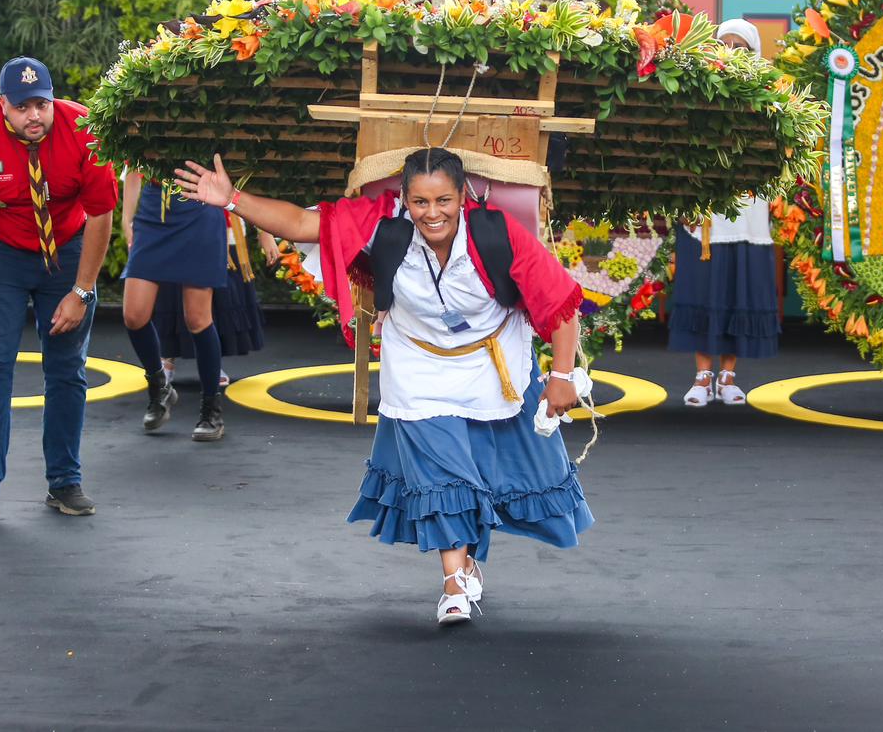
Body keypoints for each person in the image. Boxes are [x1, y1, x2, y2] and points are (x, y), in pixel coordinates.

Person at [173, 148, 593, 626]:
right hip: (416, 368)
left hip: (491, 366)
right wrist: (231, 200)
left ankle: (470, 558)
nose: (431, 213)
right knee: (442, 475)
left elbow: (559, 300)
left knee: (485, 476)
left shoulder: (498, 233)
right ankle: (454, 583)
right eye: (419, 202)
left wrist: (561, 376)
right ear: (403, 198)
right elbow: (299, 223)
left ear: (463, 197)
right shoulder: (382, 225)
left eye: (443, 201)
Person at [0, 56, 116, 517]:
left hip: (68, 251)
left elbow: (101, 214)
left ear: (53, 99)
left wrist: (81, 291)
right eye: (22, 107)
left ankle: (65, 482)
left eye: (42, 103)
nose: (33, 115)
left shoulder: (85, 129)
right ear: (3, 105)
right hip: (0, 255)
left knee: (66, 368)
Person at [671, 17, 780, 406]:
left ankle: (729, 376)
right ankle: (702, 376)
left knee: (738, 291)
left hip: (748, 212)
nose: (731, 52)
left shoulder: (771, 99)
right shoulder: (699, 93)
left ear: (754, 55)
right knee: (704, 289)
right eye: (725, 44)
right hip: (705, 214)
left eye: (741, 47)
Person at [121, 167, 228, 441]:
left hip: (201, 204)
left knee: (197, 318)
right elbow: (132, 164)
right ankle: (159, 387)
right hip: (154, 207)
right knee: (134, 315)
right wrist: (127, 220)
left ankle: (210, 409)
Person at [151, 213, 279, 387]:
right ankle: (166, 358)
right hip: (177, 222)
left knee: (218, 299)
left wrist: (265, 230)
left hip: (225, 230)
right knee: (174, 291)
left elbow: (247, 190)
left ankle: (210, 362)